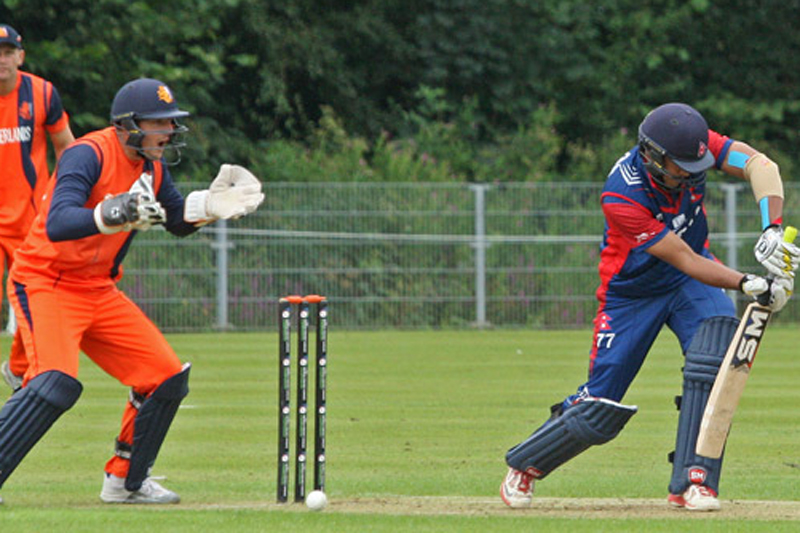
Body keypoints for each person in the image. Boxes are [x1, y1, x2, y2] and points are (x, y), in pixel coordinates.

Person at [500, 103, 799, 512]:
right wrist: (751, 283)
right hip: (632, 293)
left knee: (713, 358)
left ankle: (695, 482)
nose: (694, 174)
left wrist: (772, 228)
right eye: (682, 167)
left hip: (689, 283)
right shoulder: (622, 194)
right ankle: (526, 464)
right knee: (598, 409)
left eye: (698, 164)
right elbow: (684, 258)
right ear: (652, 156)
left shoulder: (694, 149)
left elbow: (761, 165)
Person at [0, 77, 264, 505]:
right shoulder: (87, 154)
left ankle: (126, 481)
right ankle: (24, 367)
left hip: (99, 288)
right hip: (46, 281)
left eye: (170, 122)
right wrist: (113, 211)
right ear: (126, 125)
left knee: (165, 378)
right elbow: (60, 222)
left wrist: (211, 207)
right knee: (56, 383)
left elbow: (175, 219)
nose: (168, 131)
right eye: (158, 122)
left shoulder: (153, 166)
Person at [0, 24, 74, 392]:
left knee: (37, 300)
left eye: (7, 51)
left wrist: (64, 195)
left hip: (32, 220)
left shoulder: (42, 93)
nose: (1, 59)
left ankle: (18, 369)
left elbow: (66, 148)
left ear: (20, 56)